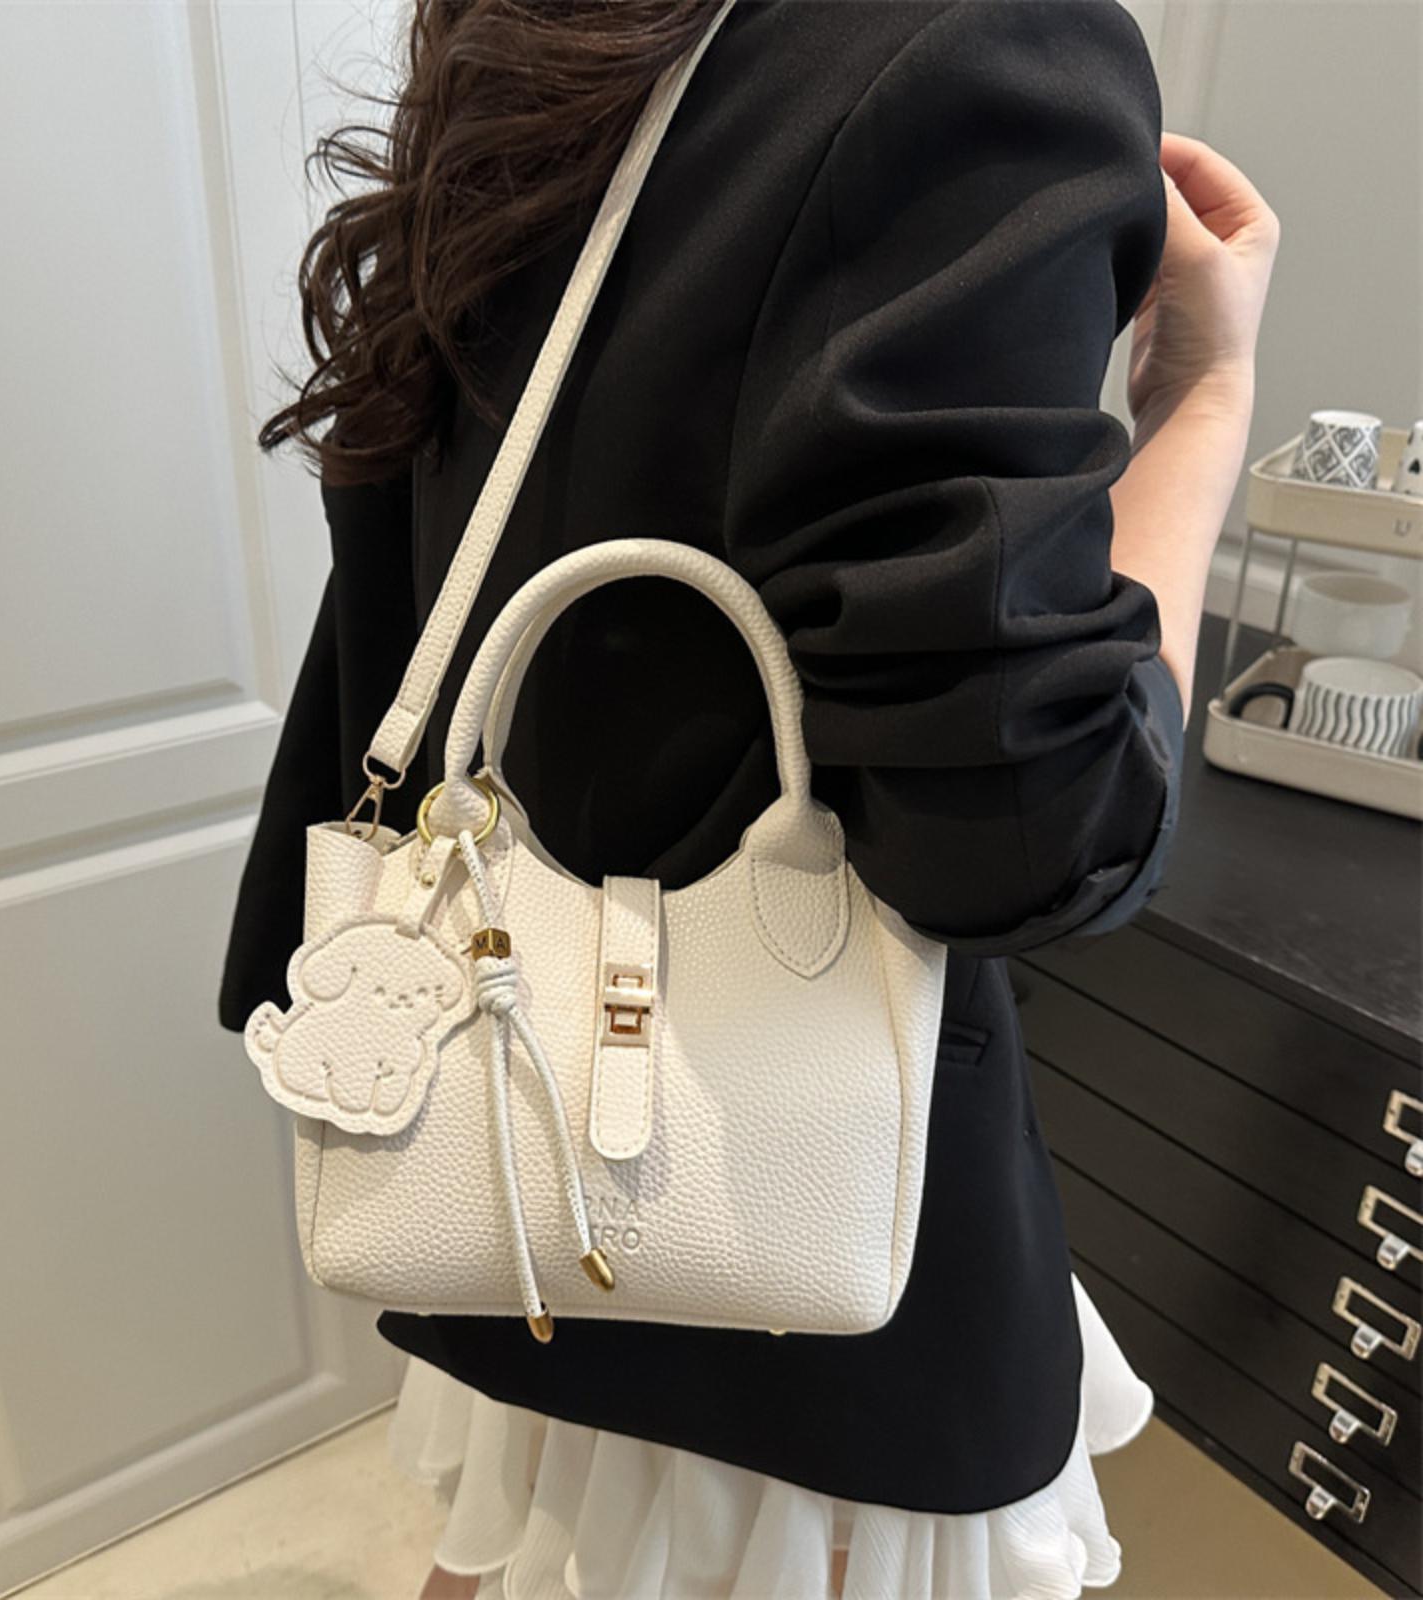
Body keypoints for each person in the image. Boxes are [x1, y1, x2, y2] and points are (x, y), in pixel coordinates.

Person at [218, 1, 1280, 1594]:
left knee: (526, 1558)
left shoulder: (570, 25)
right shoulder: (987, 45)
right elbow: (1038, 837)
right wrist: (1203, 390)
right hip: (787, 1193)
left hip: (519, 1130)